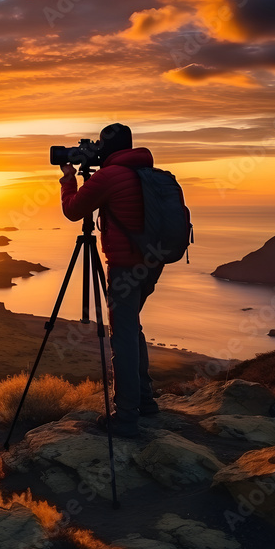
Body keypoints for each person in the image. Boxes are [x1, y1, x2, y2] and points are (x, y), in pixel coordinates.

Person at [58, 123, 162, 438]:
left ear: (106, 149)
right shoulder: (150, 174)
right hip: (152, 264)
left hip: (125, 267)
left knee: (123, 337)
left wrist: (68, 178)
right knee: (133, 328)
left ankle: (126, 418)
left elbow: (73, 211)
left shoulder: (109, 176)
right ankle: (145, 400)